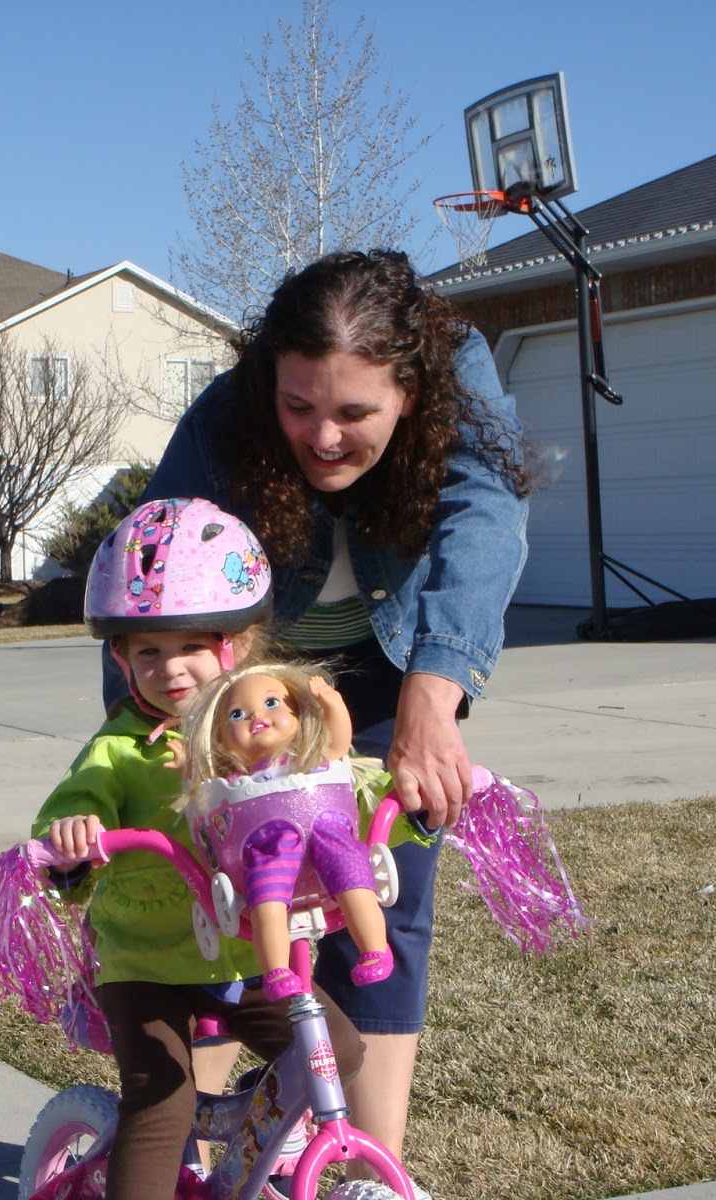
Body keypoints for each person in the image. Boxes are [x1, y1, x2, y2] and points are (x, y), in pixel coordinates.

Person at [122, 248, 535, 1172]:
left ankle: (366, 1167)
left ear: (411, 396)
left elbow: (486, 515)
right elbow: (157, 571)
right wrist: (161, 732)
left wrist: (438, 697)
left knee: (385, 904)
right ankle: (202, 1155)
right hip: (248, 674)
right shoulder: (229, 411)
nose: (323, 437)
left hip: (393, 669)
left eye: (356, 413)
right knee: (227, 893)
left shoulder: (456, 369)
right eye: (300, 406)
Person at [34, 496, 364, 1200]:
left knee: (339, 1049)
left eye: (190, 646)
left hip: (248, 953)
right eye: (147, 651)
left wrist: (411, 800)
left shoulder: (261, 728)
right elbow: (79, 799)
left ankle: (242, 1141)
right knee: (162, 1102)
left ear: (234, 646)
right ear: (120, 658)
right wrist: (71, 839)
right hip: (146, 960)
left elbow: (333, 779)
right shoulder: (120, 747)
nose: (171, 668)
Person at [178, 663, 392, 1000]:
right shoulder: (235, 781)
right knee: (267, 899)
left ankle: (375, 949)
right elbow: (200, 790)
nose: (255, 716)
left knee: (353, 879)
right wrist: (186, 760)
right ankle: (276, 969)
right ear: (219, 739)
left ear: (299, 713)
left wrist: (332, 703)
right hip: (267, 842)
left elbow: (338, 744)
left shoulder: (310, 759)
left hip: (326, 827)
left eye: (271, 703)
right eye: (236, 714)